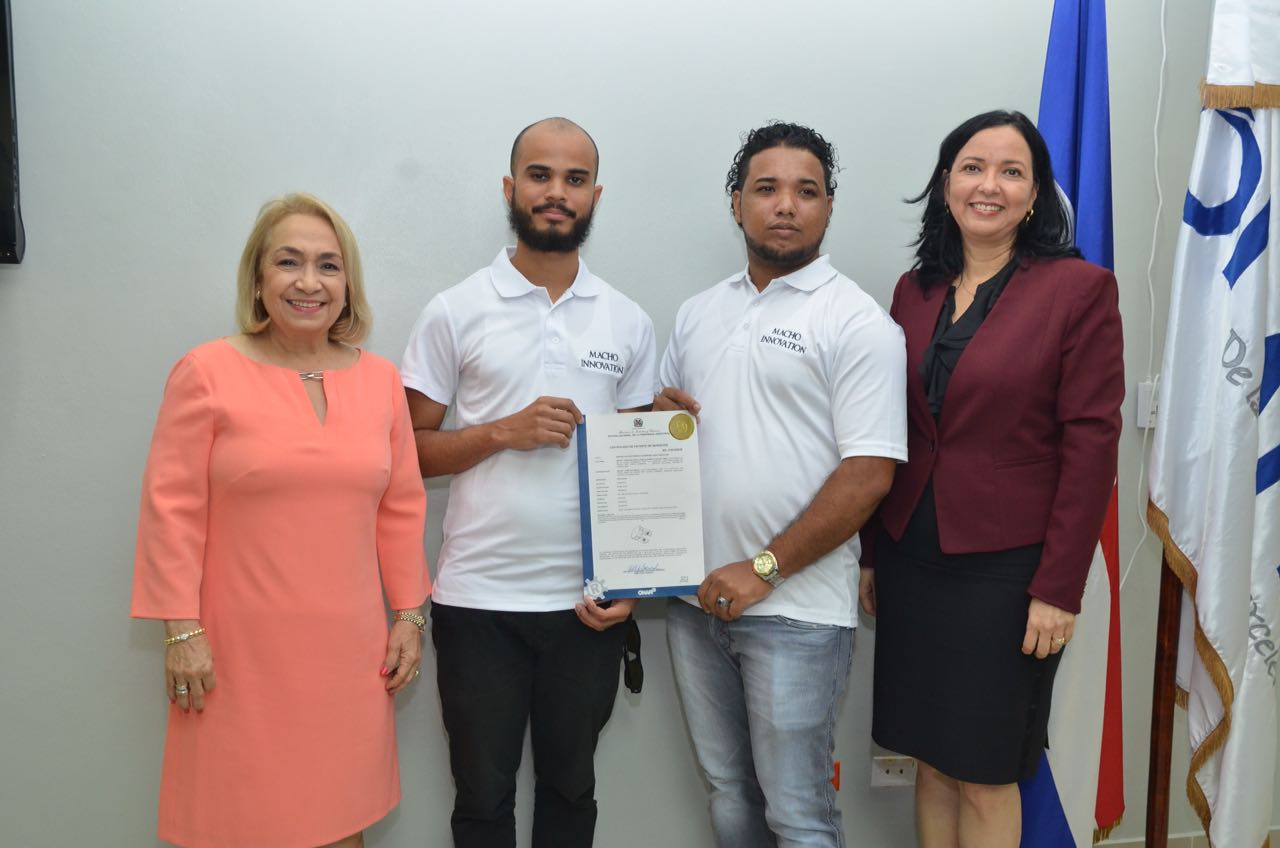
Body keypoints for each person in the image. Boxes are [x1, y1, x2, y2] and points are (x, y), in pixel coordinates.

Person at [131, 193, 430, 848]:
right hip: (237, 658)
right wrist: (181, 632)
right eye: (288, 262)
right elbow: (170, 508)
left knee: (338, 822)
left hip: (349, 659)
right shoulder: (205, 372)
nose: (307, 282)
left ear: (347, 285)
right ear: (258, 278)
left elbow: (401, 505)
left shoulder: (380, 381)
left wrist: (409, 614)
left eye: (328, 266)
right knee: (243, 823)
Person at [860, 109, 1124, 848]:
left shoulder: (1079, 291)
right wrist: (874, 555)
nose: (990, 185)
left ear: (1036, 195)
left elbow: (1091, 445)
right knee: (931, 761)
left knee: (983, 769)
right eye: (974, 167)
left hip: (1008, 573)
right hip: (913, 555)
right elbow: (893, 429)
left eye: (1012, 172)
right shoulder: (914, 290)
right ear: (946, 182)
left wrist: (1057, 589)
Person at [401, 117, 657, 848]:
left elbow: (635, 472)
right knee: (482, 799)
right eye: (540, 176)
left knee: (572, 790)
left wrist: (632, 582)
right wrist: (498, 433)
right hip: (477, 601)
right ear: (511, 189)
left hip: (585, 608)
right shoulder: (455, 310)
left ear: (595, 194)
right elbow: (405, 452)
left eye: (574, 179)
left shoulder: (628, 320)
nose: (556, 193)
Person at [654, 122, 907, 848]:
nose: (786, 205)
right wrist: (651, 421)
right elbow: (672, 442)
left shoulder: (857, 323)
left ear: (829, 208)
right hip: (693, 601)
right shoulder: (700, 313)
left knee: (797, 815)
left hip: (795, 612)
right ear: (737, 204)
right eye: (766, 188)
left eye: (807, 191)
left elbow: (869, 473)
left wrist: (763, 568)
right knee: (730, 797)